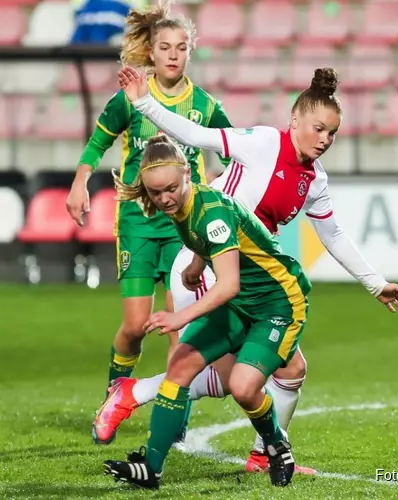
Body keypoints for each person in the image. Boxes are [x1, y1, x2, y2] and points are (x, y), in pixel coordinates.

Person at [98, 64, 398, 472]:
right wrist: (143, 101)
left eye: (332, 133)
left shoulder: (314, 179)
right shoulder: (264, 142)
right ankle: (134, 395)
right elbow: (198, 136)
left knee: (284, 370)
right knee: (226, 377)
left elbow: (332, 234)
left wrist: (376, 283)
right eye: (318, 128)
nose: (325, 139)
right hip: (211, 270)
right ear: (294, 120)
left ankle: (261, 454)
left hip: (243, 274)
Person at [65, 0, 231, 445]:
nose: (173, 55)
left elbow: (234, 152)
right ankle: (114, 394)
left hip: (186, 230)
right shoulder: (131, 98)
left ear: (189, 52)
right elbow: (99, 140)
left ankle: (173, 416)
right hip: (139, 224)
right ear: (152, 52)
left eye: (180, 47)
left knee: (179, 326)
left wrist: (216, 188)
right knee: (136, 326)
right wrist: (80, 181)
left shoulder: (204, 105)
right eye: (164, 47)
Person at [104, 135, 305, 489]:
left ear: (187, 174)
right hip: (243, 305)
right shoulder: (183, 204)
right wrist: (197, 263)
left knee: (243, 387)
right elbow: (212, 242)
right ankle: (151, 469)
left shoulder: (209, 210)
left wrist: (180, 317)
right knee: (180, 366)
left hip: (278, 303)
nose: (163, 198)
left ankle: (276, 444)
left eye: (169, 188)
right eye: (154, 193)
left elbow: (228, 285)